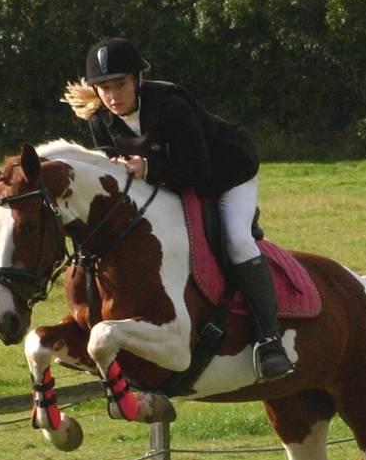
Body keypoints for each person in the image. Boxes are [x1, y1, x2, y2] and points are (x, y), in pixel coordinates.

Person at [63, 37, 294, 382]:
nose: (112, 96)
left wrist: (149, 168)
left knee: (236, 240)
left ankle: (270, 342)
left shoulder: (171, 107)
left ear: (138, 79)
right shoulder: (101, 120)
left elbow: (198, 170)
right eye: (104, 88)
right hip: (171, 181)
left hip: (228, 173)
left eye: (120, 84)